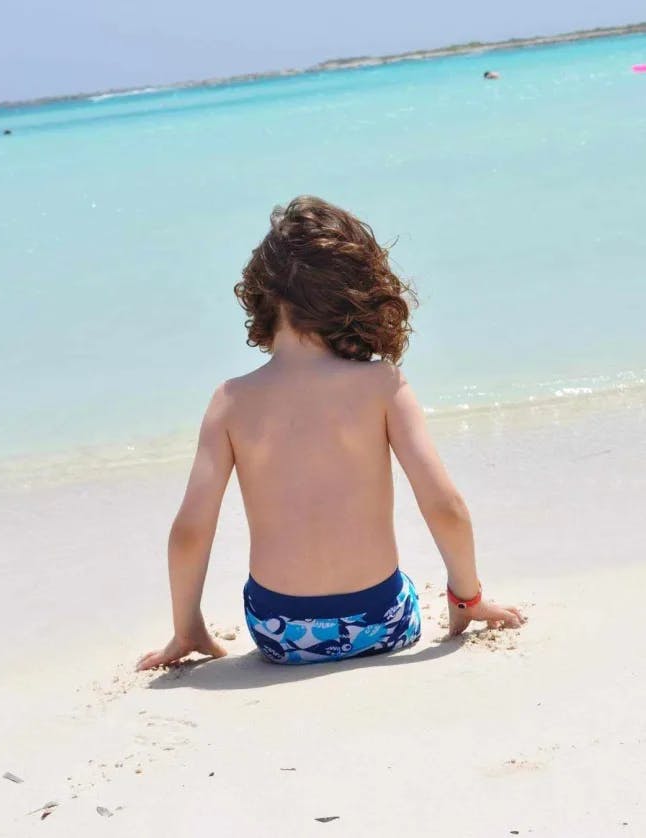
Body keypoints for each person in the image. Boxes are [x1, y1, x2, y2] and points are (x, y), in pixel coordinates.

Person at [137, 196, 524, 670]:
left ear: (261, 298)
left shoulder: (230, 401)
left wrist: (187, 628)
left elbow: (191, 531)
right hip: (381, 620)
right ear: (355, 293)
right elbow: (445, 506)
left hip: (279, 633)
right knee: (400, 589)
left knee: (272, 609)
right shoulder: (383, 384)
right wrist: (468, 598)